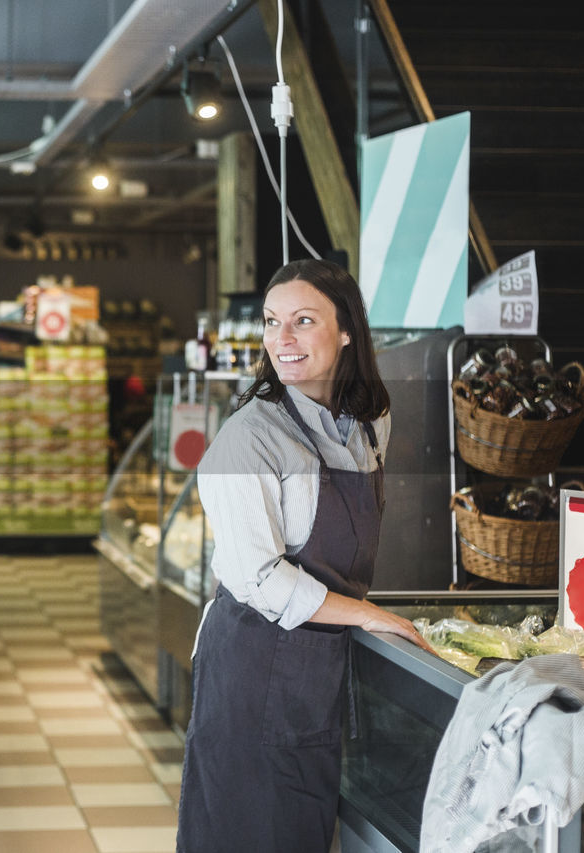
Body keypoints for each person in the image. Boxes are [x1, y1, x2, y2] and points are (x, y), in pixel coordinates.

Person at [177, 259, 434, 852]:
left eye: (302, 321)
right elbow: (260, 578)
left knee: (306, 835)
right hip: (253, 666)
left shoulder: (370, 423)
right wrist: (369, 614)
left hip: (318, 670)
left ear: (347, 331)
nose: (281, 340)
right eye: (271, 322)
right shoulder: (250, 437)